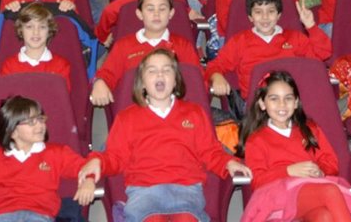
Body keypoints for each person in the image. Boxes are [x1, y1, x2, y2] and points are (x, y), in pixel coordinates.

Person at [81, 49, 250, 222]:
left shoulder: (194, 113)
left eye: (166, 70)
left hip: (186, 190)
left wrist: (228, 162)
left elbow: (210, 152)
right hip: (145, 192)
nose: (160, 74)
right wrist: (97, 162)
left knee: (186, 219)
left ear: (175, 81)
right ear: (142, 83)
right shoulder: (126, 118)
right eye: (152, 71)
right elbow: (114, 156)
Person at [238, 71, 351, 221]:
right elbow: (257, 181)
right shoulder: (256, 140)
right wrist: (288, 171)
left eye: (288, 98)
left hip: (309, 190)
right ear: (262, 104)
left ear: (296, 103)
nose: (282, 104)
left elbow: (330, 162)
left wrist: (320, 171)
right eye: (274, 99)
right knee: (330, 191)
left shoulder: (309, 129)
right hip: (277, 195)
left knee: (324, 217)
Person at [0, 96, 95, 219]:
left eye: (41, 119)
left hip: (40, 215)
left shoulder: (56, 153)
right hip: (3, 215)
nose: (40, 125)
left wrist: (88, 180)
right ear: (12, 131)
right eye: (31, 122)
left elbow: (86, 166)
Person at [206, 0, 331, 102]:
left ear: (278, 15)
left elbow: (322, 55)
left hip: (290, 102)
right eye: (258, 12)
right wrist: (216, 76)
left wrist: (311, 26)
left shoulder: (294, 38)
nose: (265, 17)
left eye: (271, 11)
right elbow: (215, 65)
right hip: (256, 104)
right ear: (250, 17)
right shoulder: (240, 41)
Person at [0, 2, 74, 88]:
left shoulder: (61, 65)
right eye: (29, 27)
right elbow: (3, 93)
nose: (36, 32)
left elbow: (61, 94)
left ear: (49, 31)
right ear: (21, 30)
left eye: (42, 27)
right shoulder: (9, 66)